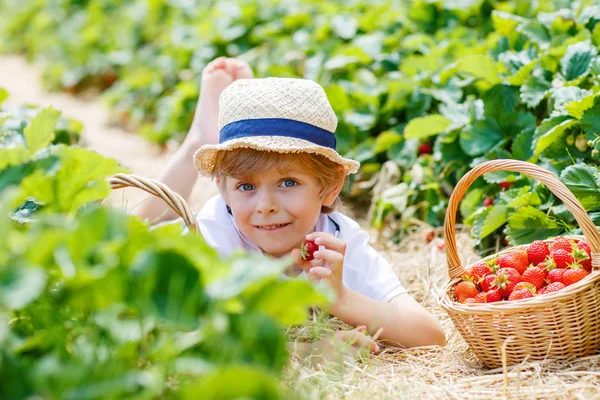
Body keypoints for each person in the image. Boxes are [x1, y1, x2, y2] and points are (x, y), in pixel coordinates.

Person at [137, 57, 446, 357]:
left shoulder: (336, 242)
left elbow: (430, 335)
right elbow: (185, 336)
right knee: (136, 230)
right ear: (223, 189)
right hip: (156, 246)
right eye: (246, 185)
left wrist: (341, 298)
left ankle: (225, 131)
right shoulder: (213, 233)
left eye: (288, 183)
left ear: (330, 187)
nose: (266, 206)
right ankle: (201, 137)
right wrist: (305, 352)